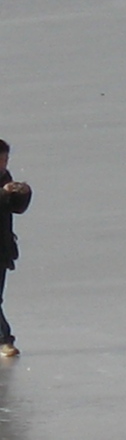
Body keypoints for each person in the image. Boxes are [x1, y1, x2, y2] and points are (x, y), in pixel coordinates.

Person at [0, 140, 33, 357]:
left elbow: (16, 208)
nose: (3, 164)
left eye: (5, 160)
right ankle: (5, 339)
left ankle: (4, 339)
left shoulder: (5, 177)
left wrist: (22, 193)